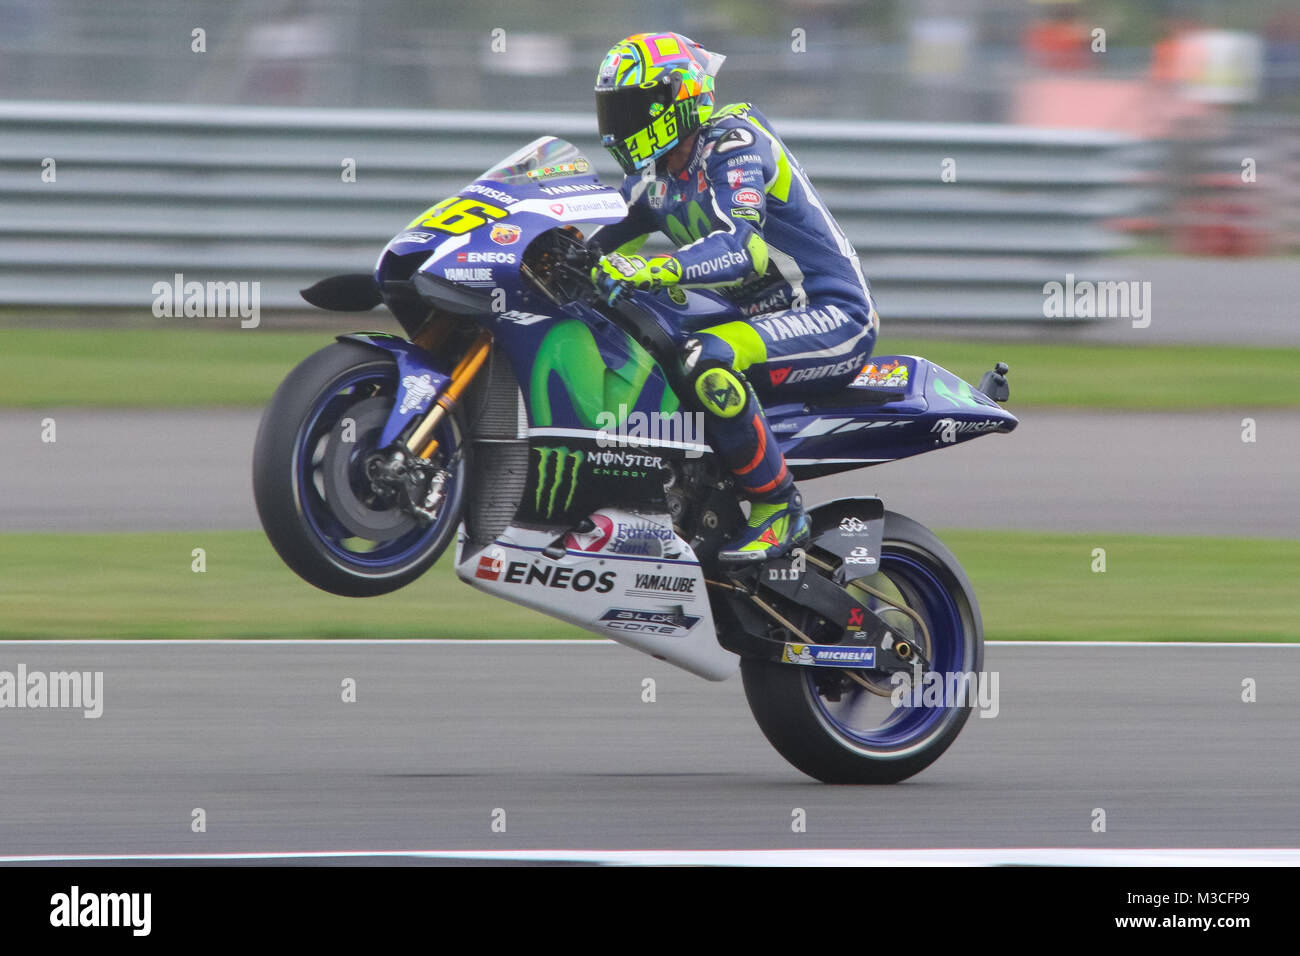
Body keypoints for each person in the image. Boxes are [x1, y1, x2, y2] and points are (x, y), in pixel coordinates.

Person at [589, 31, 879, 563]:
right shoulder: (654, 178)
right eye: (612, 110)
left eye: (630, 108)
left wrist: (653, 269)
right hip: (757, 314)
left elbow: (745, 250)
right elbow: (597, 246)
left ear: (677, 101)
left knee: (707, 360)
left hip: (831, 313)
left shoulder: (733, 145)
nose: (617, 124)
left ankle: (779, 509)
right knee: (633, 331)